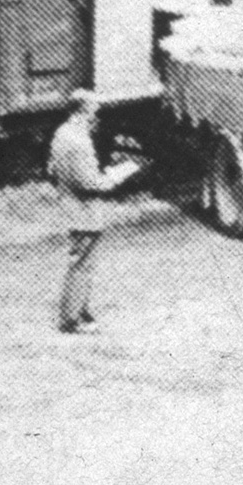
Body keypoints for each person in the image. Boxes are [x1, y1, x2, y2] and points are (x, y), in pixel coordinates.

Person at [48, 90, 139, 334]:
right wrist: (116, 176)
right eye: (93, 112)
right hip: (85, 212)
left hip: (71, 207)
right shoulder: (80, 141)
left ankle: (80, 311)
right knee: (82, 265)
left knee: (80, 262)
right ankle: (72, 319)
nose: (96, 118)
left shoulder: (61, 134)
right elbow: (91, 183)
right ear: (82, 111)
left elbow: (52, 170)